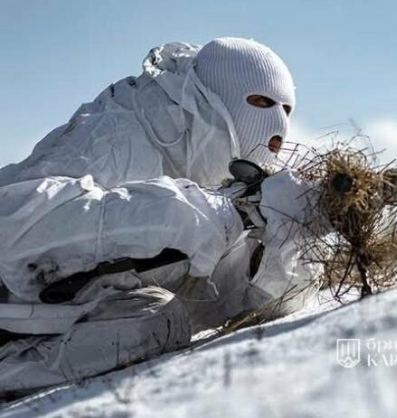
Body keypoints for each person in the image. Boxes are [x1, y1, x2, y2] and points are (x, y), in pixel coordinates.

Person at [0, 37, 326, 396]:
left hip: (57, 317)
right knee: (155, 320)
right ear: (216, 98)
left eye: (288, 110)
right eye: (262, 102)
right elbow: (17, 230)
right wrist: (197, 214)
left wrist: (287, 238)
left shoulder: (211, 169)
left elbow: (237, 303)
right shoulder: (119, 133)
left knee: (162, 318)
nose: (278, 127)